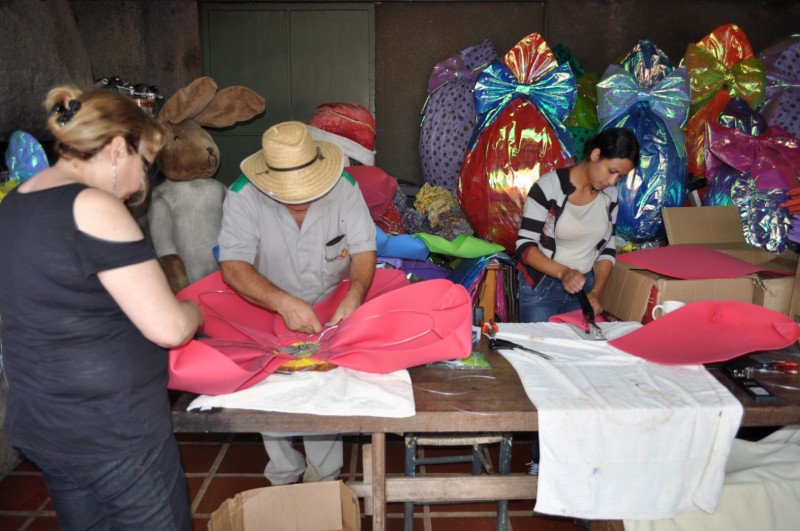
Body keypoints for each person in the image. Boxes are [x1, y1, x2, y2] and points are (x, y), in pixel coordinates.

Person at [0, 86, 203, 529]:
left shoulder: (15, 202)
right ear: (116, 148)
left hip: (45, 425)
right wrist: (194, 309)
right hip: (112, 432)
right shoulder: (94, 205)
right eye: (144, 165)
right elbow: (169, 328)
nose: (141, 184)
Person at [217, 120, 377, 485]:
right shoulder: (242, 194)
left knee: (324, 383)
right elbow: (233, 265)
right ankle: (284, 471)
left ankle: (324, 478)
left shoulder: (345, 187)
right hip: (266, 302)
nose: (300, 201)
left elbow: (364, 250)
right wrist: (283, 303)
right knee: (271, 384)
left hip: (330, 298)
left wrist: (355, 294)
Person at [515, 127, 640, 474]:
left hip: (582, 289)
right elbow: (524, 247)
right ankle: (541, 461)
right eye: (611, 171)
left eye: (620, 176)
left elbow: (607, 248)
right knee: (543, 374)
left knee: (578, 374)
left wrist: (596, 291)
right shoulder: (549, 188)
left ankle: (572, 458)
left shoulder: (609, 196)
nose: (612, 181)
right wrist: (562, 272)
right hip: (543, 286)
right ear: (595, 155)